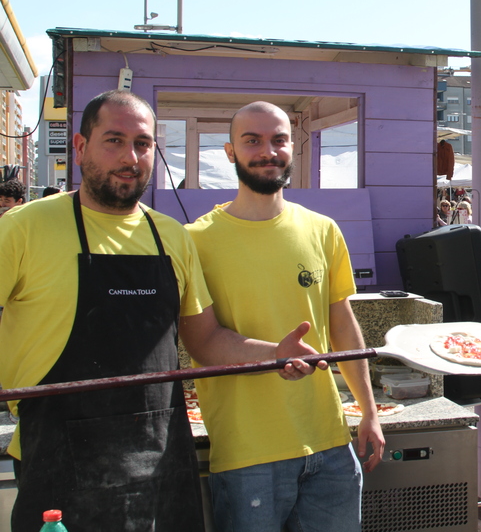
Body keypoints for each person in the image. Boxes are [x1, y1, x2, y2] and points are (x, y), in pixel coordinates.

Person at [0, 91, 317, 532]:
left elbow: (205, 338)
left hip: (160, 456)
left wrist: (273, 354)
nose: (130, 157)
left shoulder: (171, 236)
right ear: (79, 147)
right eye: (114, 140)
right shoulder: (22, 229)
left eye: (143, 144)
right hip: (59, 459)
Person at [183, 101, 385, 532]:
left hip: (330, 445)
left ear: (292, 147)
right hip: (247, 453)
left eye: (278, 140)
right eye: (251, 140)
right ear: (229, 151)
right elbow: (201, 341)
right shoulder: (195, 241)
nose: (267, 151)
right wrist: (275, 354)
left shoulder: (323, 229)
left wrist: (368, 410)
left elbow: (343, 324)